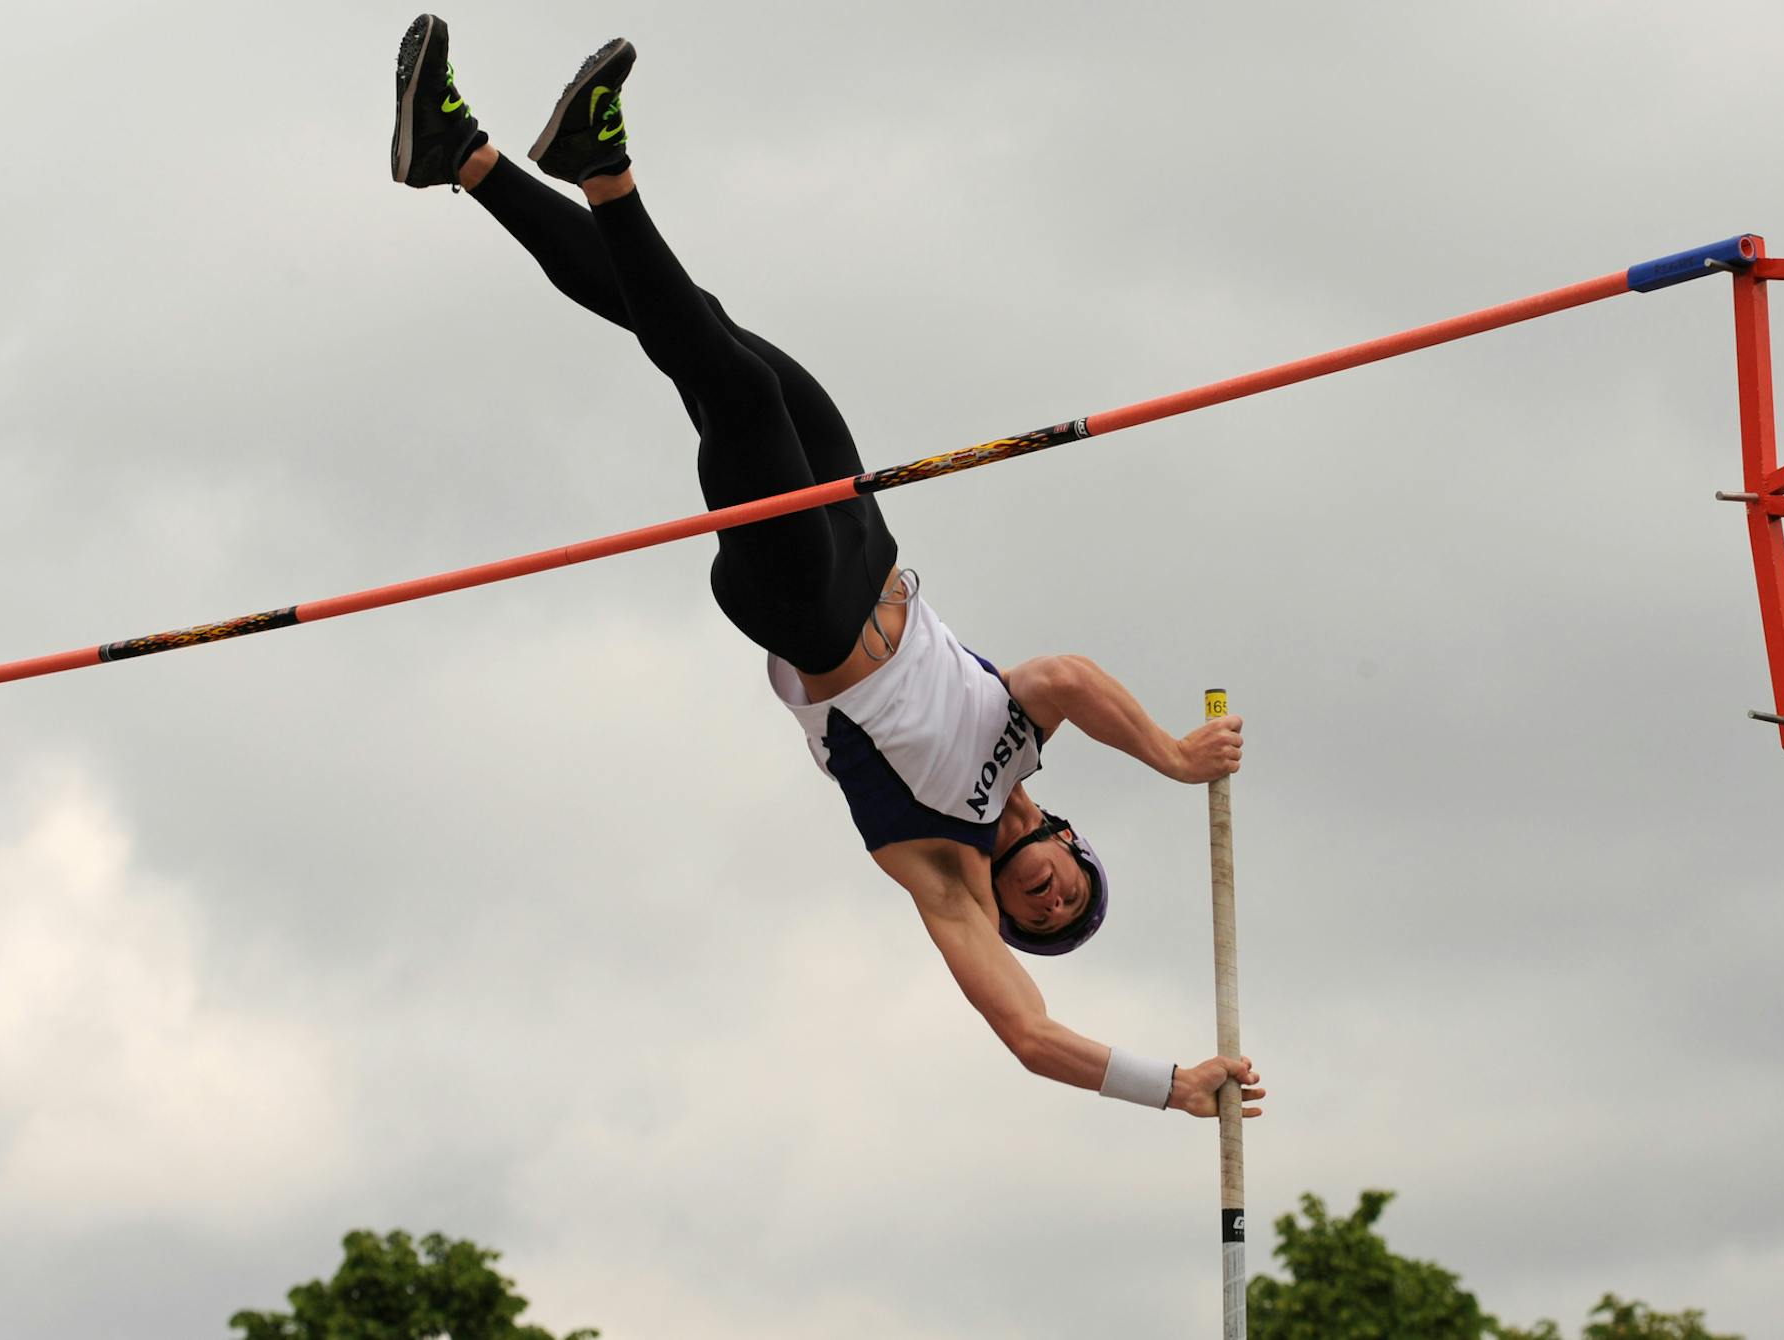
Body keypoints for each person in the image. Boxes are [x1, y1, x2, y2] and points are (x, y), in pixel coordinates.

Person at [392, 16, 1265, 1120]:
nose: (1050, 897)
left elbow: (1030, 1035)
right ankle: (459, 157)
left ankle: (604, 169)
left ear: (1005, 912)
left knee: (733, 385)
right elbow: (1077, 679)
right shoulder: (1021, 728)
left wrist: (1169, 1084)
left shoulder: (937, 867)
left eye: (1040, 917)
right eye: (1070, 889)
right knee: (703, 334)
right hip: (867, 542)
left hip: (806, 609)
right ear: (1069, 842)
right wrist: (1178, 760)